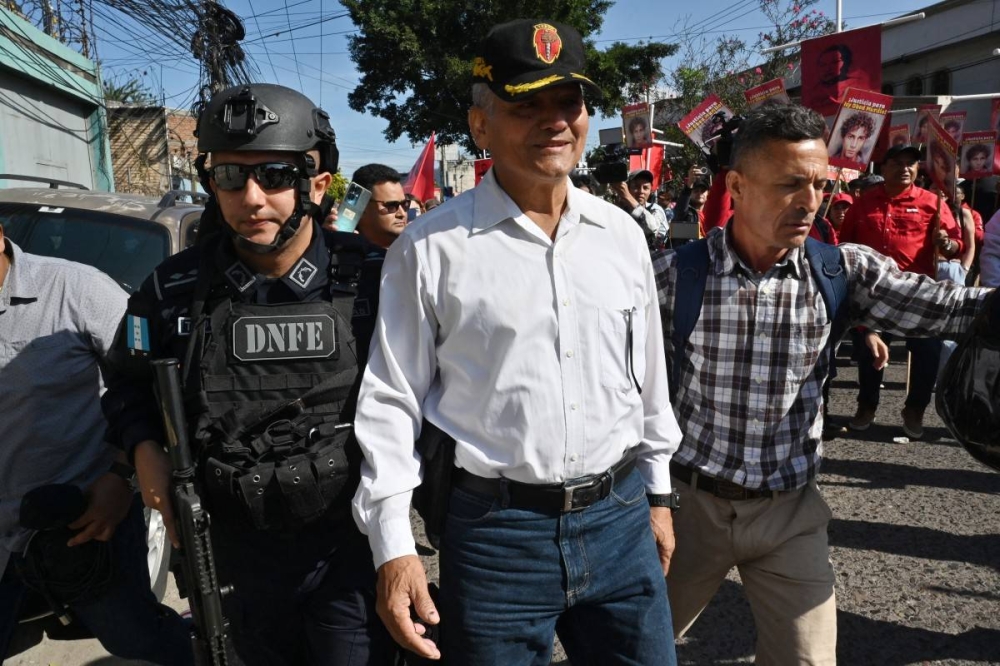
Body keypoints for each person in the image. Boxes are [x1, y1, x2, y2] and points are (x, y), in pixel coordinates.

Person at [352, 18, 681, 663]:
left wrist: (659, 492)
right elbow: (390, 399)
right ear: (480, 125)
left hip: (620, 519)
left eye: (569, 103)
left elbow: (647, 375)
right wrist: (393, 545)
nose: (554, 121)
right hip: (496, 536)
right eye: (525, 104)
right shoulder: (429, 249)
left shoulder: (621, 235)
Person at [652, 102, 992, 666]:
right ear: (736, 185)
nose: (810, 202)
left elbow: (948, 307)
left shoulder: (841, 271)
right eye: (789, 184)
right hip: (690, 510)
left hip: (791, 516)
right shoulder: (672, 277)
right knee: (638, 651)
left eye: (818, 183)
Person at [101, 84, 396, 666]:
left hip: (349, 548)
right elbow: (127, 384)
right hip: (232, 549)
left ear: (316, 182)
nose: (251, 197)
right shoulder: (171, 290)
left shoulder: (375, 281)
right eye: (231, 175)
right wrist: (142, 451)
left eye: (276, 176)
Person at [0, 225, 191, 665]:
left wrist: (123, 478)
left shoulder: (78, 290)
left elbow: (153, 387)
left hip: (84, 521)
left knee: (137, 638)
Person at [839, 143, 964, 437]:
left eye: (911, 163)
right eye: (898, 162)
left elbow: (959, 246)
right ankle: (866, 405)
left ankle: (915, 409)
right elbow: (844, 246)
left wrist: (945, 243)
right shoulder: (864, 203)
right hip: (873, 292)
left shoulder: (933, 203)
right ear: (884, 169)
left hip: (918, 292)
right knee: (870, 353)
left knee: (928, 353)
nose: (905, 168)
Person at [612, 168, 669, 249]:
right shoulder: (619, 208)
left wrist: (627, 197)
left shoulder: (655, 209)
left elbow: (652, 228)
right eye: (636, 187)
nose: (641, 191)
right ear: (628, 188)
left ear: (650, 190)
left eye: (645, 188)